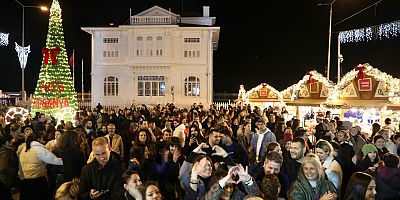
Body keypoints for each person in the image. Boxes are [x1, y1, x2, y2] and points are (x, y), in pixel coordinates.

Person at [17, 133, 64, 200]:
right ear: (38, 139)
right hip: (36, 180)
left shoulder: (24, 148)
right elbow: (54, 160)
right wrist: (64, 160)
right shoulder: (38, 149)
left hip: (24, 179)